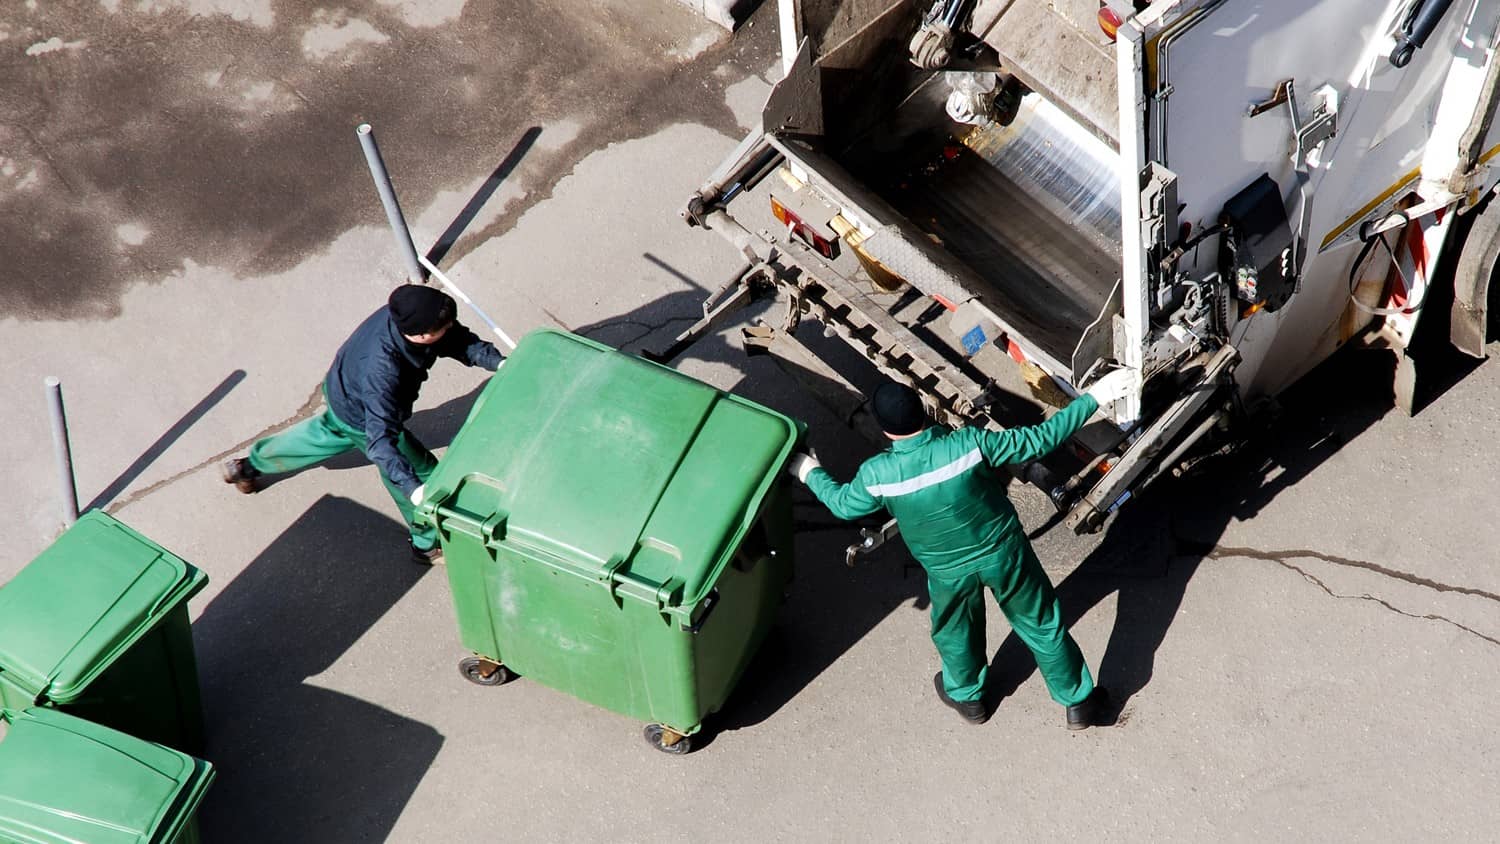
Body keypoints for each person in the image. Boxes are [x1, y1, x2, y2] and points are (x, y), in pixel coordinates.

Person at [788, 370, 1133, 728]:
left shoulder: (878, 474)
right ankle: (1078, 701)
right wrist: (1095, 396)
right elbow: (1041, 439)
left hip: (947, 572)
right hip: (1004, 552)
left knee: (955, 631)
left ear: (886, 430)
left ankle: (968, 697)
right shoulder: (968, 444)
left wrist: (807, 469)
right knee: (1042, 622)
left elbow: (844, 505)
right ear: (922, 412)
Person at [222, 284, 504, 563]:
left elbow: (457, 340)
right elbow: (381, 441)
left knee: (325, 433)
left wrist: (500, 363)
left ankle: (247, 466)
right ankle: (426, 543)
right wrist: (413, 488)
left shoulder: (413, 313)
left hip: (344, 392)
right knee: (422, 474)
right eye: (443, 327)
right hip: (364, 413)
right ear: (419, 335)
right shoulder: (383, 372)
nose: (450, 327)